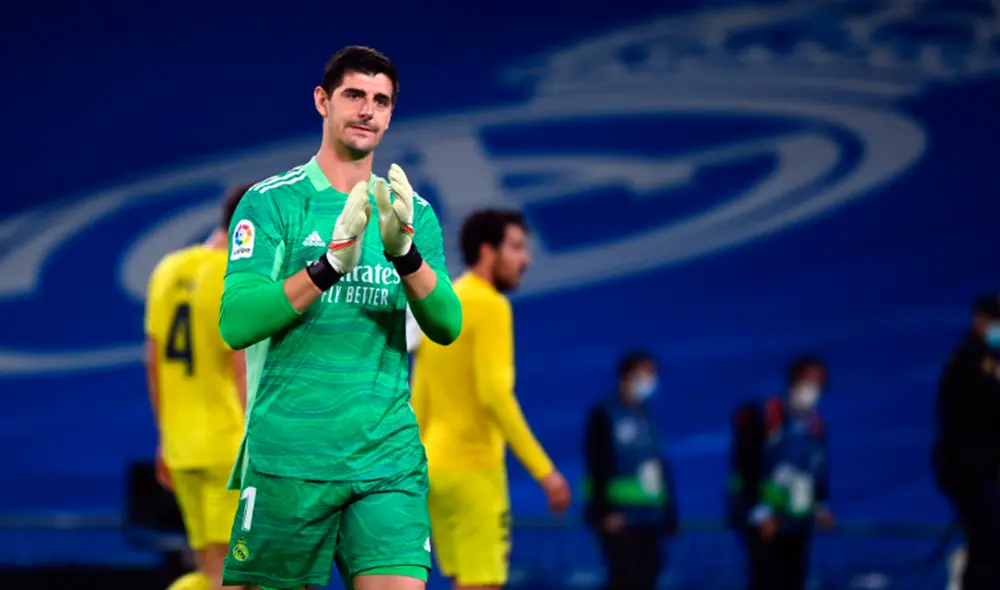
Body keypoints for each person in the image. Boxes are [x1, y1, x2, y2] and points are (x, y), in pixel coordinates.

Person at [217, 45, 462, 590]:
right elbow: (235, 322)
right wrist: (328, 266)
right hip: (290, 459)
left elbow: (447, 324)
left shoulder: (411, 212)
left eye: (382, 100)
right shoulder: (271, 203)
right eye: (354, 95)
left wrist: (405, 255)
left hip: (386, 459)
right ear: (322, 101)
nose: (368, 109)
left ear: (392, 113)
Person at [409, 209, 572, 590]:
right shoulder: (491, 305)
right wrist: (544, 472)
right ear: (487, 251)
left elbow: (420, 396)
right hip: (474, 471)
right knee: (482, 583)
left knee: (461, 580)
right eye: (515, 247)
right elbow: (496, 396)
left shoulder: (446, 300)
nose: (525, 259)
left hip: (435, 472)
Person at [144, 182, 254, 590]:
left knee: (213, 569)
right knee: (239, 574)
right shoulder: (235, 279)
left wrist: (164, 439)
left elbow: (153, 362)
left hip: (183, 449)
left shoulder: (167, 270)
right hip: (230, 448)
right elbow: (241, 368)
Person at [730, 356, 836, 590]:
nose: (813, 388)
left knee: (794, 580)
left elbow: (817, 472)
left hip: (798, 523)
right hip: (765, 524)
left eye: (819, 383)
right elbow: (744, 467)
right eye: (808, 380)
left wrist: (820, 506)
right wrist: (759, 512)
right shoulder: (766, 416)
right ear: (793, 380)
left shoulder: (816, 426)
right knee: (766, 581)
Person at [583, 351, 678, 590]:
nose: (650, 381)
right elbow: (597, 465)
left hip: (649, 517)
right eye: (645, 373)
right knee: (626, 579)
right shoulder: (604, 414)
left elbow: (660, 467)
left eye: (653, 375)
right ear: (626, 376)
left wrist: (669, 513)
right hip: (619, 518)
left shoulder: (647, 417)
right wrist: (604, 511)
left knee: (649, 574)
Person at [933, 293, 1000, 590]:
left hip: (981, 465)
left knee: (989, 540)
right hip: (972, 465)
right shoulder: (971, 359)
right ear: (981, 321)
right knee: (988, 539)